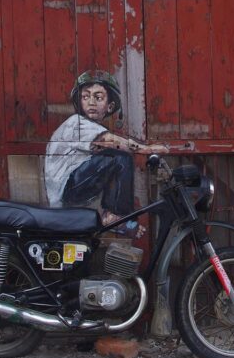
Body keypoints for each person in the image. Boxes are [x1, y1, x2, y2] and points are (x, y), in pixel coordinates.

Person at [44, 70, 167, 235]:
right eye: (85, 97)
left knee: (114, 159)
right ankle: (115, 216)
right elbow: (112, 142)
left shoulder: (90, 126)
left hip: (72, 189)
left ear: (110, 106)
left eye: (98, 97)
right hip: (67, 190)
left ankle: (112, 215)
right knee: (119, 158)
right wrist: (148, 149)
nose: (91, 102)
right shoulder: (76, 123)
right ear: (79, 102)